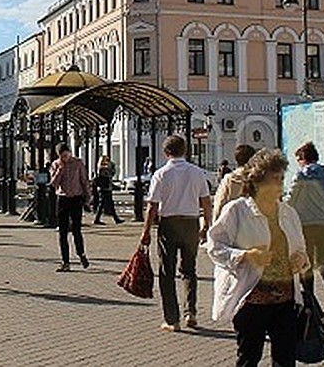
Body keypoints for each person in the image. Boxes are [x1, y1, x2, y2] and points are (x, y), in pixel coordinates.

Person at [207, 149, 309, 367]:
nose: (279, 185)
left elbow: (301, 249)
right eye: (274, 179)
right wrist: (245, 256)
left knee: (285, 360)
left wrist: (300, 259)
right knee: (249, 358)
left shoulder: (288, 213)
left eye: (282, 178)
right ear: (258, 180)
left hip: (286, 301)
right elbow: (214, 247)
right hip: (251, 301)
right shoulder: (237, 211)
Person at [140, 134, 213, 331]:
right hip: (191, 223)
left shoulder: (161, 173)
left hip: (169, 224)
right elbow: (206, 200)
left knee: (167, 272)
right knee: (189, 270)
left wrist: (146, 231)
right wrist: (207, 223)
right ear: (185, 151)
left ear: (166, 153)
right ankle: (191, 312)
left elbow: (152, 205)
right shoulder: (197, 172)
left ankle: (173, 319)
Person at [286, 142, 324, 312]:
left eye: (298, 160)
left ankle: (310, 298)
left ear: (303, 159)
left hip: (306, 224)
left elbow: (292, 197)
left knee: (306, 262)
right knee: (323, 261)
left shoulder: (301, 175)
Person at [50, 142, 90, 272]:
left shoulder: (78, 163)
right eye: (62, 156)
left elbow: (84, 180)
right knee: (62, 232)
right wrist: (60, 169)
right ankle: (65, 262)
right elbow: (54, 183)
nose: (65, 158)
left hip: (76, 198)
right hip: (62, 198)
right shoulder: (56, 164)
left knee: (76, 229)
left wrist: (88, 196)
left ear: (70, 153)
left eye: (66, 155)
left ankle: (81, 254)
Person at [213, 144, 256, 219]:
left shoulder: (230, 178)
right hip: (253, 221)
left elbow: (220, 202)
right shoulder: (259, 178)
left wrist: (215, 222)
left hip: (232, 220)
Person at [93, 155, 124, 225]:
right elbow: (111, 174)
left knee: (105, 204)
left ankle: (115, 218)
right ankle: (115, 219)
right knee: (106, 204)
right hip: (105, 188)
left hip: (105, 188)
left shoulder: (101, 168)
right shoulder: (103, 169)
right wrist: (111, 166)